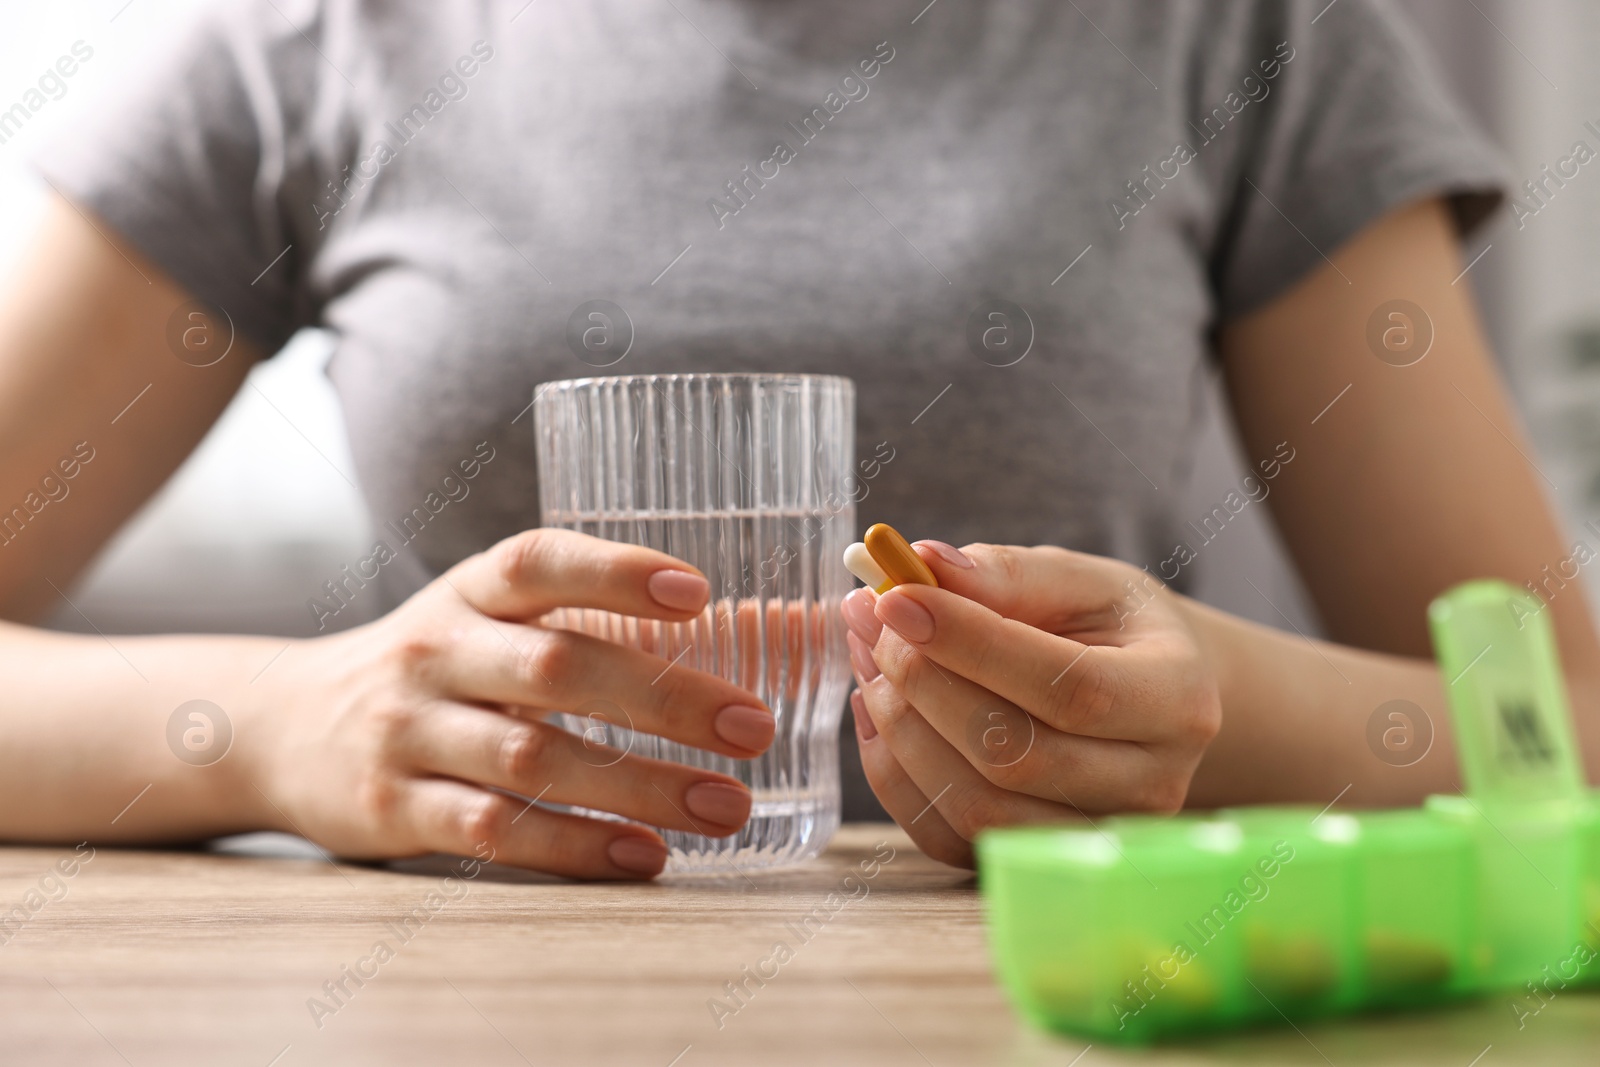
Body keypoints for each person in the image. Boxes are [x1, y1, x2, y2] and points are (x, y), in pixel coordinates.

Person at [0, 0, 1593, 878]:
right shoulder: (304, 48)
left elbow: (1565, 727)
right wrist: (288, 721)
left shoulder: (1242, 30)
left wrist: (1211, 712)